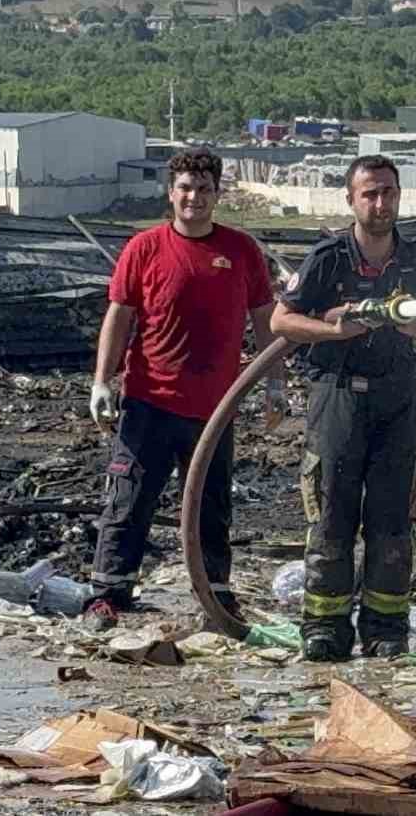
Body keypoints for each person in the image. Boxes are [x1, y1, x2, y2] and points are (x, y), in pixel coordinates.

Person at [85, 148, 287, 629]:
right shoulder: (145, 248)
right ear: (171, 193)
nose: (194, 197)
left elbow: (265, 318)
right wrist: (101, 382)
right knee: (128, 500)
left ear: (218, 194)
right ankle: (108, 594)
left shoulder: (240, 251)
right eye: (185, 189)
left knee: (211, 506)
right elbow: (120, 315)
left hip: (215, 408)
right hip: (148, 402)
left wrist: (273, 383)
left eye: (204, 189)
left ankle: (216, 596)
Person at [271, 154, 416, 661]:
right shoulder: (328, 258)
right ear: (351, 199)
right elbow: (283, 321)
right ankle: (325, 628)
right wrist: (335, 328)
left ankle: (386, 628)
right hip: (337, 393)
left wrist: (396, 318)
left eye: (388, 192)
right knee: (332, 514)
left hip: (397, 395)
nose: (380, 202)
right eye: (369, 193)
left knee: (393, 517)